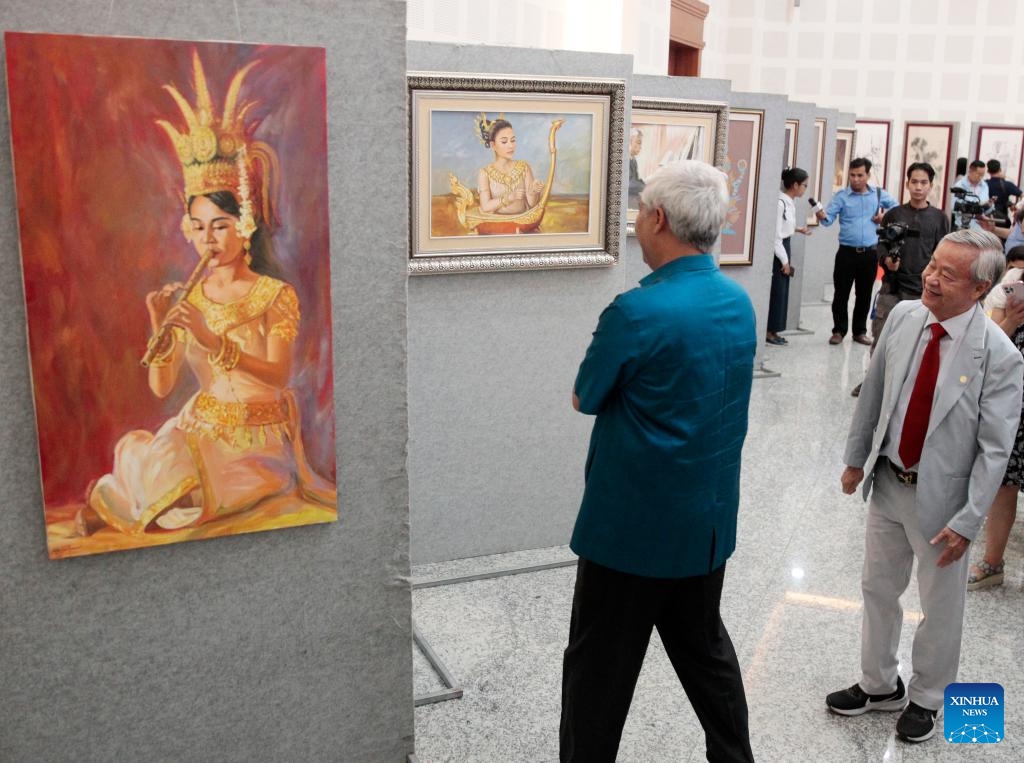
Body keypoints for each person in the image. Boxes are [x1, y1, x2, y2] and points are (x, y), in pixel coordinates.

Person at [78, 53, 335, 536]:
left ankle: (135, 504)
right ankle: (136, 500)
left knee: (182, 483)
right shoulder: (192, 296)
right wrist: (161, 326)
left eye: (220, 227)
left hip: (256, 441)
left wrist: (212, 341)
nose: (208, 241)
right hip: (200, 428)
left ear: (245, 227)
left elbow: (278, 375)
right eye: (198, 229)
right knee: (155, 456)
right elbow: (159, 387)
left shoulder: (275, 294)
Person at [561, 161, 756, 763]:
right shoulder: (737, 301)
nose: (638, 222)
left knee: (598, 675)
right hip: (705, 523)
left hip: (631, 532)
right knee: (706, 656)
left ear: (660, 219)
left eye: (641, 210)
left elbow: (583, 397)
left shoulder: (636, 312)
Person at [827, 230, 1023, 743]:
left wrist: (969, 519)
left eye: (948, 274)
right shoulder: (906, 317)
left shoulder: (998, 355)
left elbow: (994, 449)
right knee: (877, 588)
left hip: (946, 501)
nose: (931, 278)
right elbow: (874, 394)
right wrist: (855, 459)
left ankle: (929, 697)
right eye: (933, 265)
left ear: (980, 289)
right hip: (890, 481)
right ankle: (878, 683)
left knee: (940, 605)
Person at [850, 162, 950, 396]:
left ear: (931, 186)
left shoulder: (939, 219)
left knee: (918, 342)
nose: (918, 187)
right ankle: (872, 383)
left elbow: (943, 253)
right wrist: (887, 261)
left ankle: (908, 386)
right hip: (892, 288)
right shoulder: (894, 214)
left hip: (922, 290)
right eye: (914, 182)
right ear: (907, 184)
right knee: (882, 337)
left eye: (923, 182)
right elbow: (882, 244)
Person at [967, 245, 1024, 589]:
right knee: (1005, 482)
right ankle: (992, 562)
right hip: (1014, 398)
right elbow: (987, 342)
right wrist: (1014, 317)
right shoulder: (1013, 283)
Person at [816, 157, 898, 345]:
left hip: (870, 253)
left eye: (860, 175)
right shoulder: (841, 197)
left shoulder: (878, 194)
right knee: (841, 293)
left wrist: (883, 217)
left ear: (868, 175)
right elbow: (827, 221)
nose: (855, 179)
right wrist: (821, 215)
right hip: (846, 253)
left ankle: (859, 332)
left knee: (864, 293)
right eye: (852, 175)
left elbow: (896, 208)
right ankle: (839, 330)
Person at [767, 166, 810, 345]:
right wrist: (784, 260)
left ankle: (775, 330)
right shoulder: (780, 203)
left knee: (783, 291)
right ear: (795, 185)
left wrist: (798, 229)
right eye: (804, 185)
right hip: (780, 250)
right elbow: (776, 236)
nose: (805, 189)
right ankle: (769, 331)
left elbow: (786, 226)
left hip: (785, 247)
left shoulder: (789, 202)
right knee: (777, 291)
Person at [476, 115, 544, 216]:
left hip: (523, 222)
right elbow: (485, 206)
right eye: (504, 141)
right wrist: (509, 198)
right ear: (493, 145)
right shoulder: (485, 173)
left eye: (513, 140)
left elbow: (532, 204)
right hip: (498, 225)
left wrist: (532, 192)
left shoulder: (524, 167)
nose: (511, 145)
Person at [953, 160, 993, 230]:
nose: (980, 178)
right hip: (963, 225)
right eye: (978, 174)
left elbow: (985, 210)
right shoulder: (959, 186)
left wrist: (989, 205)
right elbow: (953, 206)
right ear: (970, 171)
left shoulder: (984, 186)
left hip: (980, 225)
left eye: (982, 175)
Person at [984, 159, 1022, 227]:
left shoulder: (984, 184)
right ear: (1000, 169)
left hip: (986, 219)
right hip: (1002, 220)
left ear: (988, 171)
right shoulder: (1007, 184)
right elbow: (1022, 195)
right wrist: (1017, 206)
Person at [627, 127, 645, 207]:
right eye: (638, 142)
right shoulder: (623, 159)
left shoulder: (633, 159)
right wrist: (646, 187)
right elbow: (628, 184)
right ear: (629, 142)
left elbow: (635, 180)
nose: (640, 146)